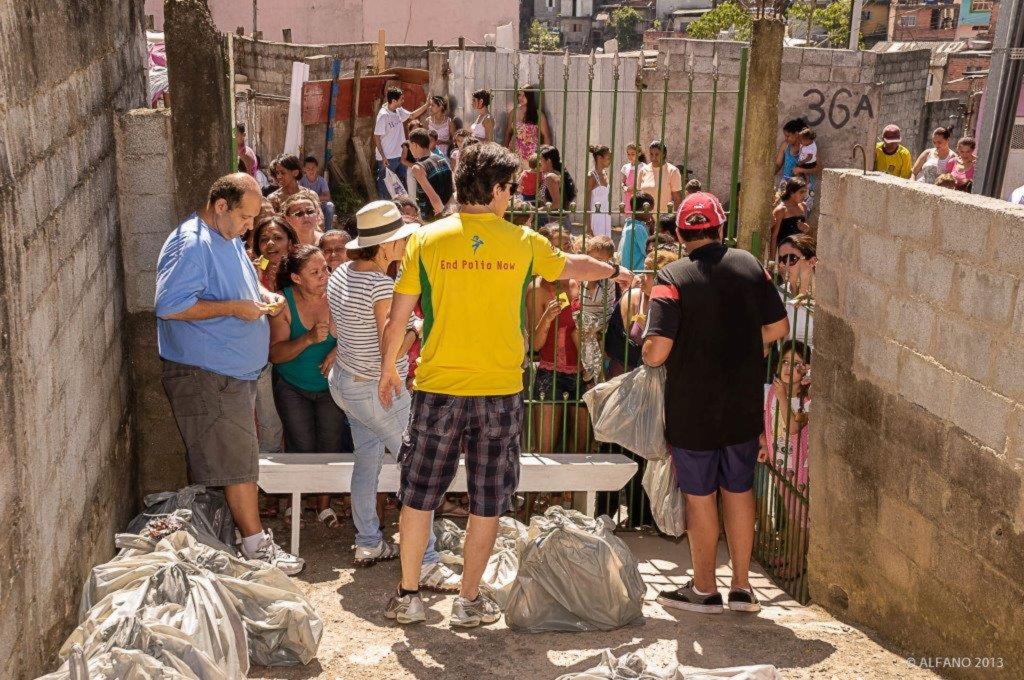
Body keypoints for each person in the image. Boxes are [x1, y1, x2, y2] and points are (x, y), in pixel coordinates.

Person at [377, 142, 634, 627]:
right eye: (511, 187)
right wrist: (615, 271)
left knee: (418, 494)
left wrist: (388, 368)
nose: (513, 195)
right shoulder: (523, 241)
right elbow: (574, 266)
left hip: (437, 387)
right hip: (499, 390)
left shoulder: (424, 240)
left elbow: (398, 316)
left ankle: (408, 596)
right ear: (496, 189)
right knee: (488, 499)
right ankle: (468, 600)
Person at [644, 191, 789, 615]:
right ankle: (742, 588)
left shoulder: (671, 277)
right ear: (721, 228)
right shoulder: (751, 265)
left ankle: (704, 588)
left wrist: (649, 348)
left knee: (700, 496)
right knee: (739, 489)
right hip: (742, 402)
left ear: (679, 234)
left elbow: (656, 352)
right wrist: (741, 344)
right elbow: (779, 326)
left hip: (692, 407)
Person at [155, 173, 303, 574]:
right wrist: (236, 309)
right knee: (237, 466)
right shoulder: (192, 243)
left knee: (235, 462)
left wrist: (263, 296)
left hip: (230, 373)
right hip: (210, 374)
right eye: (245, 217)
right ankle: (255, 545)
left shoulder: (226, 236)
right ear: (220, 206)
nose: (250, 227)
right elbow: (170, 305)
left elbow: (240, 284)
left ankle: (234, 540)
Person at [325, 202, 460, 589]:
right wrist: (417, 328)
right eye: (401, 238)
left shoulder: (341, 273)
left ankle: (369, 541)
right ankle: (427, 561)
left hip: (346, 384)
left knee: (366, 461)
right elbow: (393, 346)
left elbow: (335, 331)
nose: (405, 243)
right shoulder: (381, 284)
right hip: (378, 389)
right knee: (420, 471)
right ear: (386, 244)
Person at [269, 245, 352, 528]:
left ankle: (323, 506)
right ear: (296, 278)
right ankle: (295, 503)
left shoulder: (339, 295)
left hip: (330, 385)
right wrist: (307, 339)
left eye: (325, 269)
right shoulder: (282, 303)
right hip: (292, 384)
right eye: (315, 272)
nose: (324, 276)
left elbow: (360, 334)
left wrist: (337, 350)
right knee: (300, 445)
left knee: (330, 445)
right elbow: (275, 353)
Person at [758, 339, 811, 578]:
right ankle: (789, 555)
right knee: (791, 514)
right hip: (779, 464)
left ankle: (799, 563)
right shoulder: (770, 392)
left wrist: (782, 397)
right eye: (786, 362)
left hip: (799, 468)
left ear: (806, 369)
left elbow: (792, 428)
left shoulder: (806, 400)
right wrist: (764, 444)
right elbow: (767, 423)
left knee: (802, 519)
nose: (789, 368)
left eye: (797, 364)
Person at [374, 87, 429, 200]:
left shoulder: (399, 110)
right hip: (388, 158)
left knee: (402, 185)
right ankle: (387, 207)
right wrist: (383, 157)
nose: (403, 101)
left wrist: (426, 105)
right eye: (401, 99)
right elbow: (377, 137)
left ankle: (402, 207)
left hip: (400, 155)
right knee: (386, 186)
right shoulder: (383, 116)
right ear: (394, 101)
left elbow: (412, 115)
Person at [578, 236, 617, 382]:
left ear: (609, 260)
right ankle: (590, 369)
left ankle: (594, 372)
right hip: (588, 317)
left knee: (595, 344)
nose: (594, 263)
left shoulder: (607, 278)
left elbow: (596, 297)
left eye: (599, 260)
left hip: (602, 320)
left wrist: (592, 279)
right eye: (591, 259)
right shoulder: (588, 274)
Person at [776, 234, 816, 347]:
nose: (781, 265)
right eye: (780, 259)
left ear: (812, 261)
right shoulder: (778, 293)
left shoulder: (828, 300)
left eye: (790, 259)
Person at [407, 128, 454, 221]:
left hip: (435, 217)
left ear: (415, 145)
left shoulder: (418, 168)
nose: (410, 149)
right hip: (450, 211)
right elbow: (452, 188)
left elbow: (434, 198)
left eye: (410, 146)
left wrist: (443, 218)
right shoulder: (442, 159)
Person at [268, 154, 323, 226]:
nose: (278, 176)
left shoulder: (310, 195)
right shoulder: (274, 199)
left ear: (295, 173)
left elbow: (320, 222)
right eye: (277, 173)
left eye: (283, 173)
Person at [506, 87, 551, 167]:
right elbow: (507, 133)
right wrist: (505, 152)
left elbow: (546, 136)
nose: (521, 98)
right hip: (515, 153)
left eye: (524, 95)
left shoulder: (538, 114)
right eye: (519, 95)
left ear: (530, 96)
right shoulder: (513, 113)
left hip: (532, 155)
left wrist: (546, 156)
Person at [639, 140, 683, 217]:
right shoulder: (643, 170)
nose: (653, 157)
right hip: (645, 218)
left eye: (657, 154)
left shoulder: (672, 171)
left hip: (664, 218)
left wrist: (674, 218)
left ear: (663, 154)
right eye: (651, 154)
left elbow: (677, 198)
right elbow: (638, 195)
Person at [538, 145, 577, 226]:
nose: (540, 162)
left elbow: (557, 203)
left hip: (557, 222)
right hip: (562, 220)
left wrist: (539, 210)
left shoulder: (550, 177)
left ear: (548, 161)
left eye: (541, 159)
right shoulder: (558, 174)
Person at [770, 178, 808, 260]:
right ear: (792, 193)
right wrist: (772, 259)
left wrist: (806, 228)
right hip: (784, 252)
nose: (804, 195)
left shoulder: (803, 206)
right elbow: (774, 236)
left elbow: (805, 229)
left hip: (799, 251)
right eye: (801, 192)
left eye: (805, 192)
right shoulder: (781, 210)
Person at [619, 192, 654, 272]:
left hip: (626, 270)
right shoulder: (638, 228)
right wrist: (652, 231)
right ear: (643, 209)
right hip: (637, 272)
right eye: (650, 210)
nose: (651, 213)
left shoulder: (628, 224)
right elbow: (649, 252)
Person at [585, 145, 613, 238]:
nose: (610, 161)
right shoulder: (591, 176)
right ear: (599, 158)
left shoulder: (605, 173)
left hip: (606, 216)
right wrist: (588, 226)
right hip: (595, 216)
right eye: (608, 158)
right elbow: (587, 203)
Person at [300, 156, 335, 229]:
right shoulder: (301, 181)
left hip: (319, 203)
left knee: (330, 206)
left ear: (317, 168)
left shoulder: (322, 181)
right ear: (304, 169)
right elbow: (298, 195)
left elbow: (327, 196)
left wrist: (315, 198)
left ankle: (328, 230)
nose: (311, 170)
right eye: (308, 168)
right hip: (305, 204)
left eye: (313, 168)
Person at [621, 143, 647, 217]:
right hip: (628, 196)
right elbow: (623, 182)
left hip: (639, 195)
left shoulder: (643, 167)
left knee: (638, 216)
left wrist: (634, 188)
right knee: (629, 217)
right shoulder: (625, 167)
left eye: (633, 154)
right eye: (628, 154)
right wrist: (625, 188)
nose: (630, 156)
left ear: (639, 154)